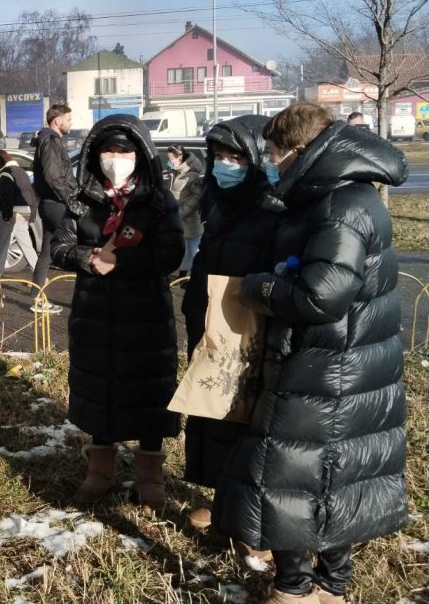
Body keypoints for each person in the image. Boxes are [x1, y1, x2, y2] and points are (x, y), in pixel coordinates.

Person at [213, 102, 408, 604]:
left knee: (284, 476)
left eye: (275, 152)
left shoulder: (339, 206)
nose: (270, 162)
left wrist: (258, 287)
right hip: (339, 364)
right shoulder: (339, 196)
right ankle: (331, 585)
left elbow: (322, 295)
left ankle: (295, 588)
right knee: (328, 478)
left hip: (324, 368)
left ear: (301, 151)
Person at [51, 114, 184, 511]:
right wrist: (86, 257)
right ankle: (100, 472)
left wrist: (122, 262)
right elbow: (59, 248)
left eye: (124, 151)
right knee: (100, 390)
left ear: (140, 155)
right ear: (94, 155)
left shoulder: (159, 201)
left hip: (146, 315)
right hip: (95, 314)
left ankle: (150, 478)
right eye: (108, 150)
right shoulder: (81, 200)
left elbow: (171, 254)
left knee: (150, 393)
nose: (116, 158)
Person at [180, 116, 282, 550]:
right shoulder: (219, 204)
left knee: (253, 425)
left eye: (235, 157)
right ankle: (222, 498)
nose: (224, 165)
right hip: (215, 325)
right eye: (218, 156)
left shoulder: (274, 211)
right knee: (216, 413)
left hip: (253, 328)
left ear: (256, 159)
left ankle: (256, 522)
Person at [31, 103, 86, 315]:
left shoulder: (49, 139)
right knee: (82, 243)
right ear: (58, 121)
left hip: (50, 203)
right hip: (56, 204)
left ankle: (37, 299)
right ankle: (86, 299)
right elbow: (53, 176)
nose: (71, 123)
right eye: (69, 119)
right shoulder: (51, 141)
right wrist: (71, 199)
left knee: (47, 252)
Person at [0, 149, 39, 291]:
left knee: (2, 246)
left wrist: (6, 215)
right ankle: (40, 276)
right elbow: (30, 194)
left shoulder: (6, 174)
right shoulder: (21, 172)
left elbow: (6, 198)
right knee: (27, 246)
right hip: (25, 213)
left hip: (13, 214)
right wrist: (32, 214)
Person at [164, 145, 203, 278]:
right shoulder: (175, 172)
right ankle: (180, 277)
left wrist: (181, 212)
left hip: (188, 221)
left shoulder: (191, 175)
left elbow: (197, 197)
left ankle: (185, 278)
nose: (169, 162)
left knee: (189, 252)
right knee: (180, 251)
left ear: (179, 158)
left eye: (171, 159)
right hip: (176, 219)